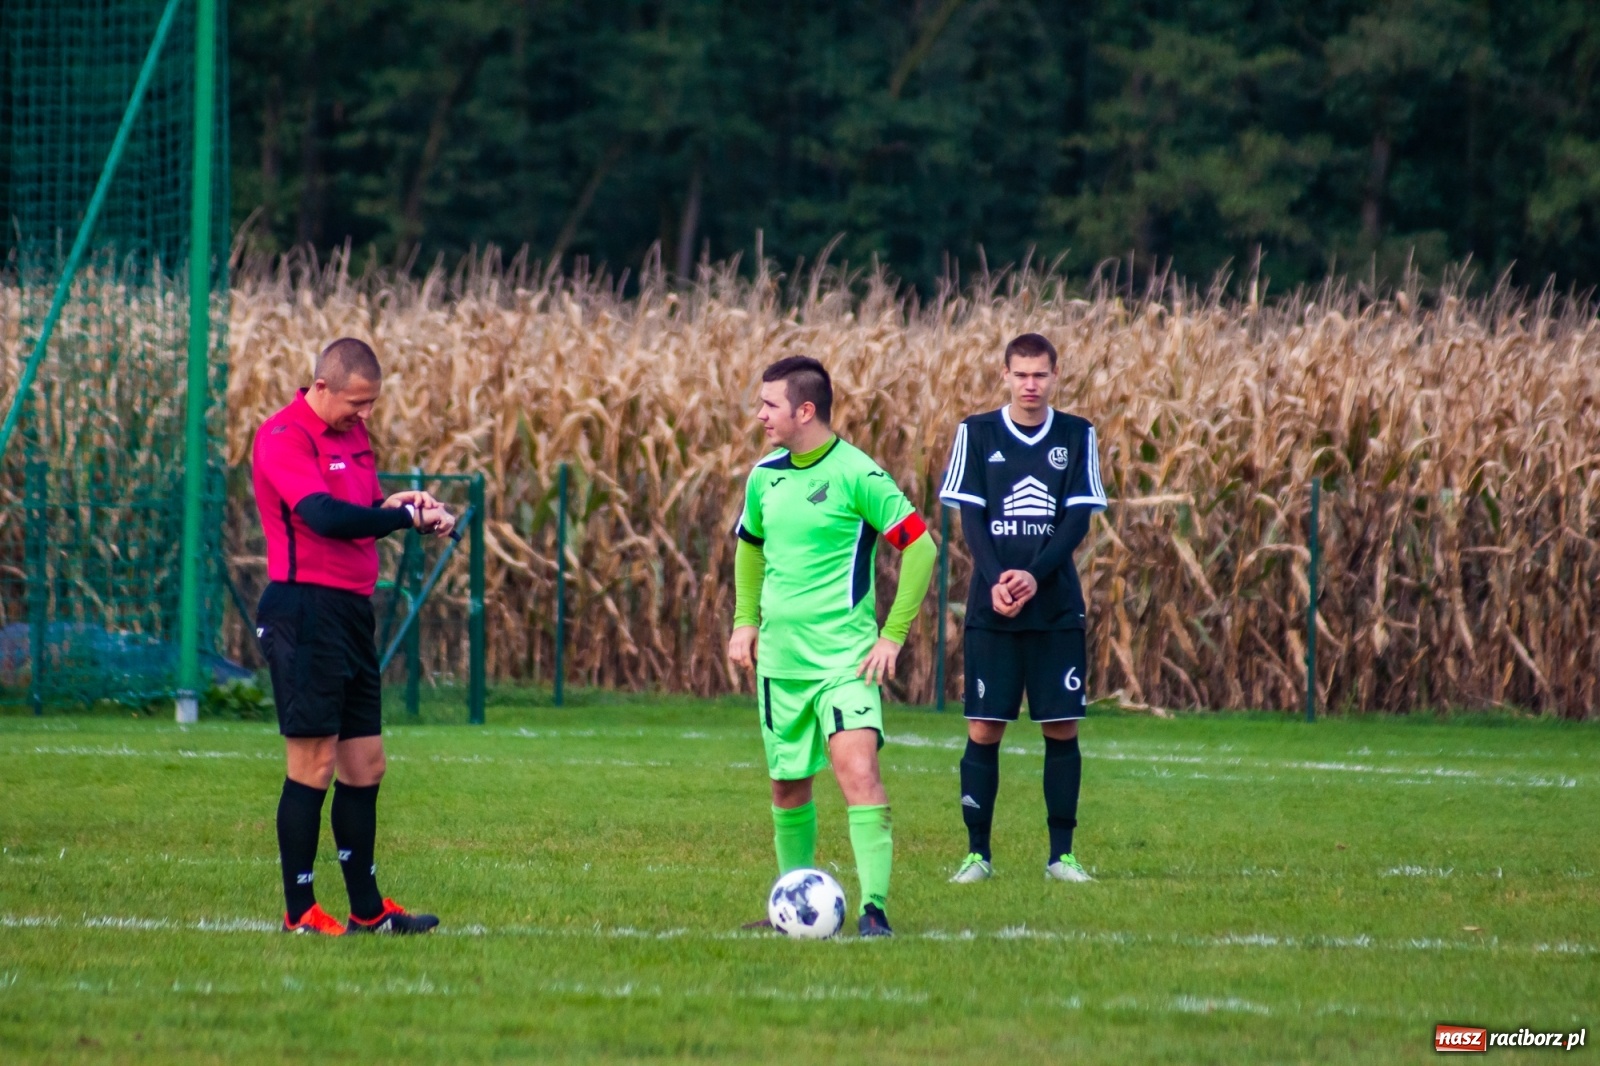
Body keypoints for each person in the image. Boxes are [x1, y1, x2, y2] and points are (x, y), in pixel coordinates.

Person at [252, 337, 457, 935]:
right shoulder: (284, 436)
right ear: (321, 387)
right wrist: (401, 518)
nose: (365, 414)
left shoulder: (351, 435)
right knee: (312, 765)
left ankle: (367, 911)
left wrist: (403, 503)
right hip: (303, 611)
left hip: (349, 613)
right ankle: (300, 912)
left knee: (365, 765)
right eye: (356, 402)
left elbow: (363, 506)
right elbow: (324, 517)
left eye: (371, 404)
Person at [727, 355, 936, 937]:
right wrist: (745, 622)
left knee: (858, 776)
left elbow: (920, 548)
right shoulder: (764, 476)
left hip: (844, 663)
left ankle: (874, 911)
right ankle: (789, 908)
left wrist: (892, 636)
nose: (761, 415)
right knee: (787, 785)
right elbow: (750, 546)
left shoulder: (857, 475)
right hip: (780, 663)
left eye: (770, 405)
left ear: (805, 410)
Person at [938, 332, 1107, 884]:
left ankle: (1062, 856)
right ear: (1005, 375)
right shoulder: (977, 432)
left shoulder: (1077, 435)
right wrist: (996, 582)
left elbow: (1077, 520)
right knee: (985, 728)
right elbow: (970, 518)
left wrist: (1033, 578)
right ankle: (977, 855)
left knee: (1061, 727)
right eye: (1021, 374)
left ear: (1056, 376)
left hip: (1055, 609)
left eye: (1040, 374)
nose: (1030, 384)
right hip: (993, 608)